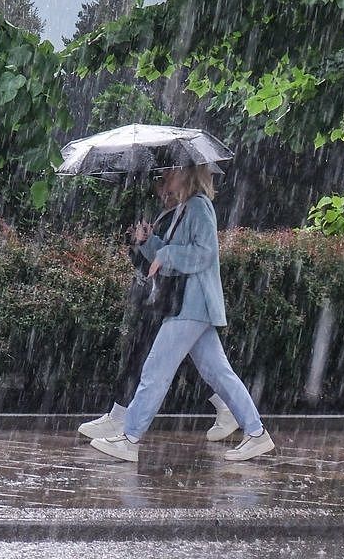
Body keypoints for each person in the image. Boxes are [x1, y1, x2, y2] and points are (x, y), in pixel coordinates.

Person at [88, 162, 275, 463]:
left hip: (192, 304)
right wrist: (148, 242)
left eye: (171, 171)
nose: (165, 178)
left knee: (155, 371)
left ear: (187, 174)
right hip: (189, 304)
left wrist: (163, 253)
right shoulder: (185, 209)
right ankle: (256, 433)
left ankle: (130, 437)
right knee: (219, 373)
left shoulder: (199, 207)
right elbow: (172, 257)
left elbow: (203, 254)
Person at [77, 175, 239, 443]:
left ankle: (125, 427)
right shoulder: (170, 214)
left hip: (176, 299)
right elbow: (155, 256)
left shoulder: (190, 210)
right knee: (178, 362)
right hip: (165, 298)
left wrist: (158, 251)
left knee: (151, 360)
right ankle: (231, 410)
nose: (163, 190)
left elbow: (191, 254)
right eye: (160, 185)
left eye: (166, 183)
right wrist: (141, 243)